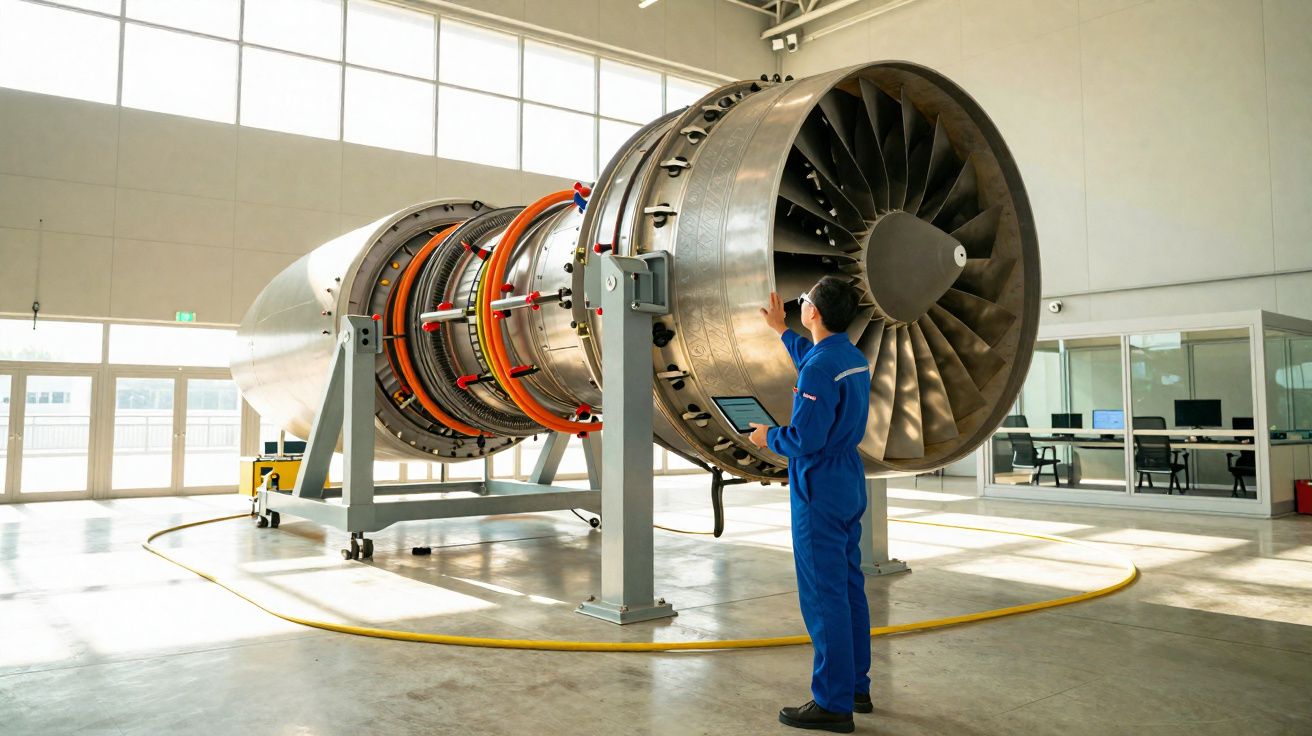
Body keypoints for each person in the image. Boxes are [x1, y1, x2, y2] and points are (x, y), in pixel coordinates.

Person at [748, 276, 873, 734]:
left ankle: (832, 702)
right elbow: (813, 361)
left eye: (805, 302)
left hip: (818, 484)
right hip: (848, 480)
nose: (803, 305)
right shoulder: (850, 357)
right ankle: (857, 686)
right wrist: (780, 330)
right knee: (849, 586)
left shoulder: (821, 368)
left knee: (824, 597)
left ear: (814, 313)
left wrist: (766, 437)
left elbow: (804, 438)